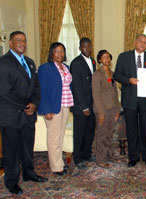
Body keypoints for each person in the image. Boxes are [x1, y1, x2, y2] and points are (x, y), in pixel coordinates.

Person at [0, 31, 48, 195]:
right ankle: (12, 182)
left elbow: (36, 86)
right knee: (11, 151)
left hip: (29, 114)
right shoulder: (3, 63)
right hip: (11, 115)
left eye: (24, 41)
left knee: (27, 147)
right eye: (18, 40)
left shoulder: (30, 62)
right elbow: (4, 92)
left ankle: (29, 174)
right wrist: (25, 106)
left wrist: (34, 104)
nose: (22, 43)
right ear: (11, 44)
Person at [113, 34, 146, 167]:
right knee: (131, 129)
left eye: (145, 42)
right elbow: (117, 75)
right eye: (140, 41)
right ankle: (133, 157)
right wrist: (129, 80)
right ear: (135, 42)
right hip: (130, 99)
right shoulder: (124, 57)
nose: (143, 44)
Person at [38, 42, 74, 176]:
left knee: (60, 135)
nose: (60, 54)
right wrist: (46, 110)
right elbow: (42, 90)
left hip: (65, 105)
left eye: (62, 51)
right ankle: (56, 166)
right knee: (54, 137)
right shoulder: (45, 68)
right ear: (51, 53)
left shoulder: (66, 67)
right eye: (56, 51)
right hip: (53, 107)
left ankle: (58, 162)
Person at [70, 38, 96, 170]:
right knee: (79, 133)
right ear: (80, 48)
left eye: (89, 47)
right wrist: (84, 106)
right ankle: (78, 158)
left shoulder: (92, 61)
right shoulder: (75, 63)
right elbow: (76, 87)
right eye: (84, 47)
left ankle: (87, 154)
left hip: (92, 104)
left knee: (90, 131)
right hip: (81, 106)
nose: (87, 49)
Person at [92, 50, 120, 168]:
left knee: (109, 134)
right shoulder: (97, 74)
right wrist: (101, 113)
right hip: (102, 109)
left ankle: (109, 156)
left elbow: (115, 92)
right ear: (99, 60)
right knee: (102, 135)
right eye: (104, 57)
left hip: (112, 109)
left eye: (108, 57)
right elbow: (96, 95)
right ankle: (101, 159)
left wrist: (117, 110)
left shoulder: (112, 73)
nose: (106, 59)